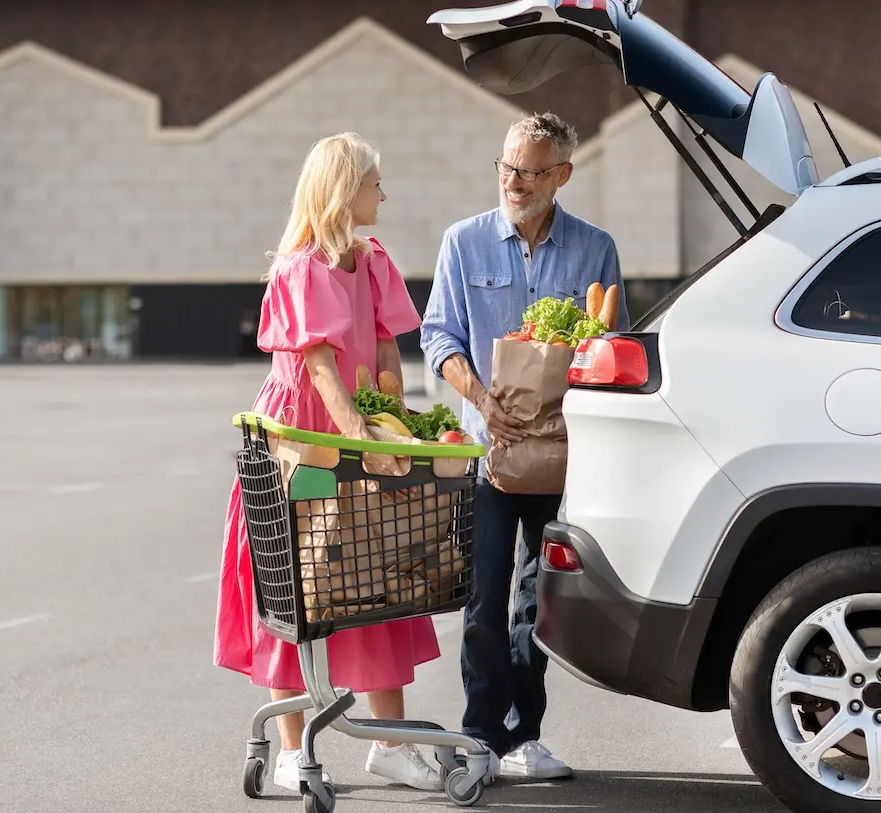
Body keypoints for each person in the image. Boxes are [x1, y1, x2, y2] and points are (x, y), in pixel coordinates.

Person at [214, 132, 444, 793]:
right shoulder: (298, 270)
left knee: (383, 577)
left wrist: (397, 421)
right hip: (300, 440)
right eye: (375, 183)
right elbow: (320, 370)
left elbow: (388, 348)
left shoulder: (372, 260)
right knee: (298, 583)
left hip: (356, 427)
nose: (384, 194)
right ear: (346, 190)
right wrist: (366, 444)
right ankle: (292, 752)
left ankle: (392, 745)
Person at [420, 112, 630, 780]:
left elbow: (606, 347)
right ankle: (480, 733)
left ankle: (523, 735)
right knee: (482, 599)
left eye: (530, 170)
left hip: (561, 454)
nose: (514, 180)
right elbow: (439, 338)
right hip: (486, 452)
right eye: (507, 166)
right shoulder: (463, 242)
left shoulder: (595, 249)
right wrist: (484, 400)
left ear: (561, 174)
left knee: (537, 601)